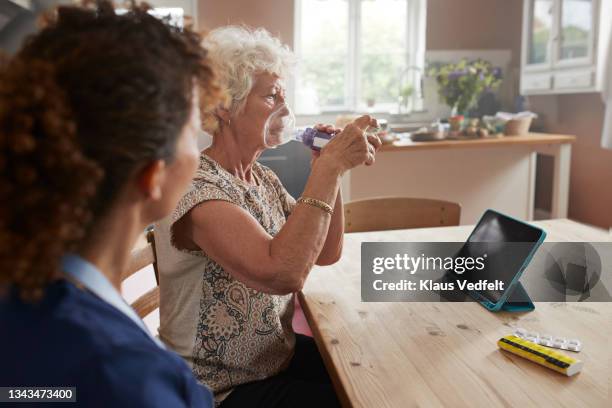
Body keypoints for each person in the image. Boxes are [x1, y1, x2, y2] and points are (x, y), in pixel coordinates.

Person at [0, 2, 221, 406]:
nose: (200, 146)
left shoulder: (24, 287)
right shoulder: (127, 379)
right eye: (193, 131)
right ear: (152, 176)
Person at [154, 26, 381, 407]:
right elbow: (284, 273)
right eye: (271, 96)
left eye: (284, 96)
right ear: (224, 105)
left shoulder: (260, 177)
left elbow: (324, 252)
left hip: (271, 361)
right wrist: (327, 171)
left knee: (371, 371)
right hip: (218, 388)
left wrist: (329, 169)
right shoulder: (196, 188)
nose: (286, 111)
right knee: (360, 399)